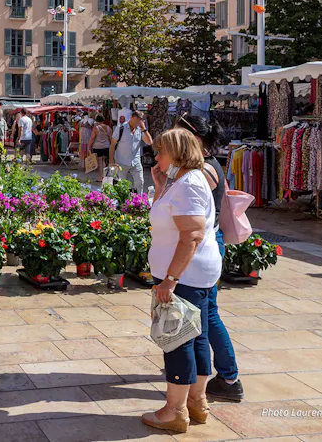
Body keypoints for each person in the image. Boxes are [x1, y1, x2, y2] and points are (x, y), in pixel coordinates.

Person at [142, 128, 221, 434]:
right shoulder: (183, 181)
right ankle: (196, 402)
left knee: (177, 338)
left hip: (185, 275)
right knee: (196, 336)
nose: (157, 157)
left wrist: (170, 280)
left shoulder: (189, 184)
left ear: (177, 153)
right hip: (191, 274)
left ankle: (174, 411)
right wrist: (160, 187)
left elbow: (191, 235)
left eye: (161, 151)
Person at [175, 114, 243, 402]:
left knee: (208, 314)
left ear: (193, 138)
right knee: (206, 312)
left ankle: (229, 377)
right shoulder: (206, 164)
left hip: (204, 245)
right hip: (208, 243)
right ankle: (219, 375)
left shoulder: (203, 170)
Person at [111, 111, 154, 191]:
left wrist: (144, 129)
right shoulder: (121, 128)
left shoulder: (140, 129)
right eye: (135, 121)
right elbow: (112, 145)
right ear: (131, 118)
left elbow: (149, 142)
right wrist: (111, 161)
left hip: (135, 162)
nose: (136, 123)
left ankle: (138, 198)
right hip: (121, 162)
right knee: (120, 185)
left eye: (139, 121)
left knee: (140, 182)